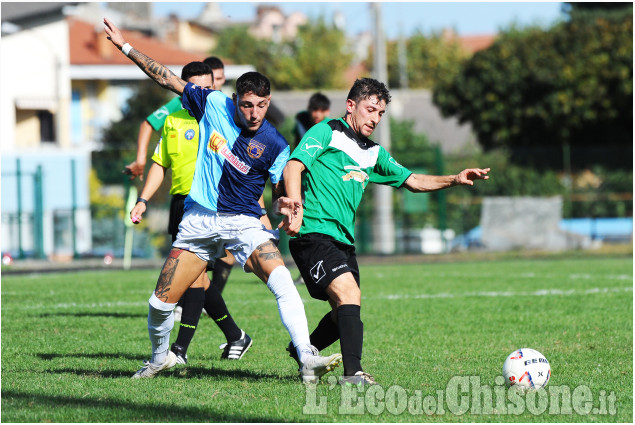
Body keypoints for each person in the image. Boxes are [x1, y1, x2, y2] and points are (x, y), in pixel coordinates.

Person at [104, 17, 342, 382]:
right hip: (198, 220)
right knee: (158, 304)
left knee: (280, 281)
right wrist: (125, 46)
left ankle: (307, 357)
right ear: (234, 100)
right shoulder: (212, 104)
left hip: (243, 222)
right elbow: (166, 77)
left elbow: (280, 187)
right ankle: (159, 358)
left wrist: (286, 203)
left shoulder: (276, 143)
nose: (255, 113)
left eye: (262, 105)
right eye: (247, 105)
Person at [281, 77, 490, 385]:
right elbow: (293, 166)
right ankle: (353, 375)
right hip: (313, 233)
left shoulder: (374, 153)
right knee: (349, 294)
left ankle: (303, 350)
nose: (375, 118)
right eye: (370, 110)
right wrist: (295, 207)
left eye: (380, 113)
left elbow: (414, 181)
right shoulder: (326, 132)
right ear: (351, 105)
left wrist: (455, 179)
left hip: (343, 241)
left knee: (345, 310)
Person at [129, 61, 264, 364]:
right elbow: (160, 164)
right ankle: (234, 335)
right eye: (196, 88)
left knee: (195, 278)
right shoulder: (173, 120)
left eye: (208, 87)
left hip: (214, 206)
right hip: (181, 205)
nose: (203, 92)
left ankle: (180, 350)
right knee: (197, 280)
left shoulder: (226, 119)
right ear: (184, 90)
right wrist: (143, 200)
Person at [290, 92, 331, 285]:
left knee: (318, 230)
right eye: (314, 110)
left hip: (321, 186)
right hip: (303, 182)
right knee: (301, 229)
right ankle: (306, 271)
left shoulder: (330, 127)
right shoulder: (301, 119)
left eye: (321, 110)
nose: (317, 114)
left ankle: (319, 268)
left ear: (327, 111)